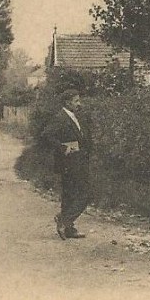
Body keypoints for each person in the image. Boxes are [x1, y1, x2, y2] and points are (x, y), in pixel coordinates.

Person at [42, 88, 91, 239]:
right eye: (76, 101)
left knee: (70, 195)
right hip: (68, 162)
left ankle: (68, 227)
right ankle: (64, 220)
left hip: (78, 161)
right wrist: (63, 148)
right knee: (84, 194)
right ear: (67, 102)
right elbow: (46, 135)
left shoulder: (75, 116)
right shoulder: (60, 117)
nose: (79, 104)